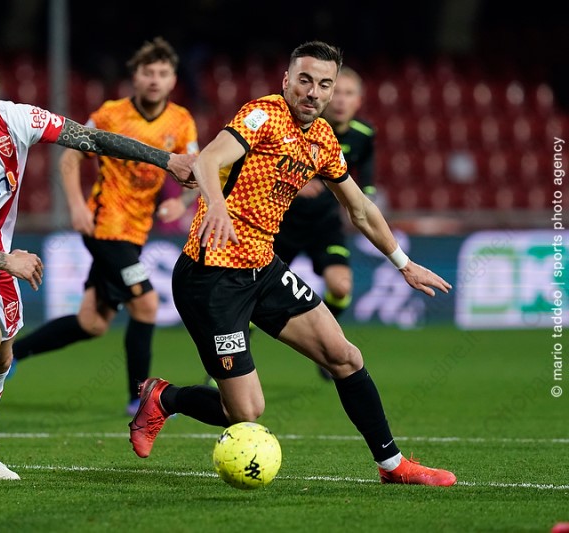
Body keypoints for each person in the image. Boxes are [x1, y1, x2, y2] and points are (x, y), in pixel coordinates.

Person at [128, 41, 457, 486]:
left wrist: (403, 262)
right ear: (287, 80)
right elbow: (207, 159)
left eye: (324, 84)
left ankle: (393, 466)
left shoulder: (323, 139)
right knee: (245, 411)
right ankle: (165, 398)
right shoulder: (262, 115)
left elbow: (359, 209)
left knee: (345, 356)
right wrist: (217, 207)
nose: (313, 92)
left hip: (262, 269)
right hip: (211, 278)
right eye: (305, 80)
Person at [0, 50, 194, 484]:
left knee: (5, 358)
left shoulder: (16, 119)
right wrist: (9, 260)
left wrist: (166, 160)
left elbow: (91, 140)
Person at [9, 37, 199, 416]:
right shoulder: (111, 114)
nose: (155, 80)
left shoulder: (181, 121)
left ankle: (13, 352)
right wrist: (76, 206)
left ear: (173, 80)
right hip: (104, 227)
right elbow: (69, 158)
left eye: (163, 73)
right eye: (148, 72)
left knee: (92, 322)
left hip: (136, 232)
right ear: (135, 77)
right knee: (146, 304)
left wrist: (181, 202)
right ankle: (140, 398)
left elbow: (195, 172)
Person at [273, 65, 376, 381]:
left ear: (358, 101)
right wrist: (295, 180)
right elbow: (268, 165)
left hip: (324, 224)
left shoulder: (363, 136)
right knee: (252, 300)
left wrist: (363, 206)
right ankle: (224, 371)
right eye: (337, 92)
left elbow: (366, 184)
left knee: (341, 287)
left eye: (349, 93)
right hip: (283, 222)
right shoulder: (303, 126)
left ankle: (327, 343)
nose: (341, 100)